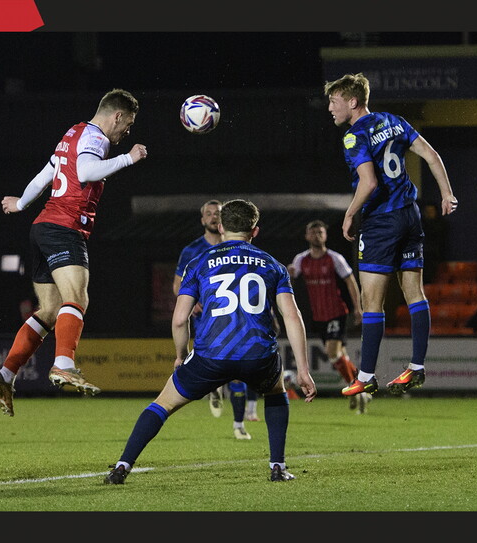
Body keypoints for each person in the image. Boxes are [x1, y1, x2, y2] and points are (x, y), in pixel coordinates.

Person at [104, 199, 317, 484]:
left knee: (162, 404)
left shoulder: (199, 262)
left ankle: (122, 467)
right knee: (276, 394)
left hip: (210, 356)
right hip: (258, 357)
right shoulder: (272, 265)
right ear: (255, 231)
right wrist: (303, 369)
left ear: (220, 226)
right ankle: (277, 467)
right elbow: (292, 317)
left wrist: (181, 355)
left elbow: (180, 319)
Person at [0, 88, 148, 415]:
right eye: (127, 125)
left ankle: (5, 375)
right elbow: (86, 172)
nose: (126, 132)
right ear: (116, 116)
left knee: (49, 311)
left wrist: (21, 202)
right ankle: (63, 363)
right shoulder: (96, 138)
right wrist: (128, 158)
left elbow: (47, 174)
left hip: (42, 227)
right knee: (78, 296)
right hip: (64, 227)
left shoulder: (72, 132)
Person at [323, 72, 457, 399]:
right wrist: (446, 194)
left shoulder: (354, 136)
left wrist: (350, 213)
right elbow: (431, 155)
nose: (330, 107)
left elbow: (368, 183)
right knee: (415, 293)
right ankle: (417, 366)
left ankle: (366, 376)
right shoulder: (394, 121)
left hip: (381, 222)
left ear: (353, 102)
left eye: (334, 101)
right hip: (410, 214)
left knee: (372, 302)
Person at [173, 199, 257, 438]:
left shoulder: (236, 248)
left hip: (234, 318)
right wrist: (191, 302)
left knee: (237, 370)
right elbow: (177, 284)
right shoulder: (191, 251)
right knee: (220, 366)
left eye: (217, 213)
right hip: (204, 321)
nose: (213, 217)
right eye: (208, 214)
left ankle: (239, 424)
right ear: (202, 220)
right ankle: (214, 388)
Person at [287, 219, 370, 414]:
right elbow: (291, 277)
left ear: (325, 236)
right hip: (317, 316)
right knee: (338, 356)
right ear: (307, 236)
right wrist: (289, 273)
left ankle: (355, 389)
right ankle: (360, 388)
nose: (317, 236)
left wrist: (358, 309)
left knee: (332, 352)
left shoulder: (335, 258)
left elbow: (350, 282)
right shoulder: (301, 259)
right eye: (313, 232)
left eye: (320, 232)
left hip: (336, 313)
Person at [419, 201, 448, 284]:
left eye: (431, 211)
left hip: (435, 258)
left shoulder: (441, 225)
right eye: (427, 212)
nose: (429, 214)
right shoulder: (419, 225)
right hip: (421, 258)